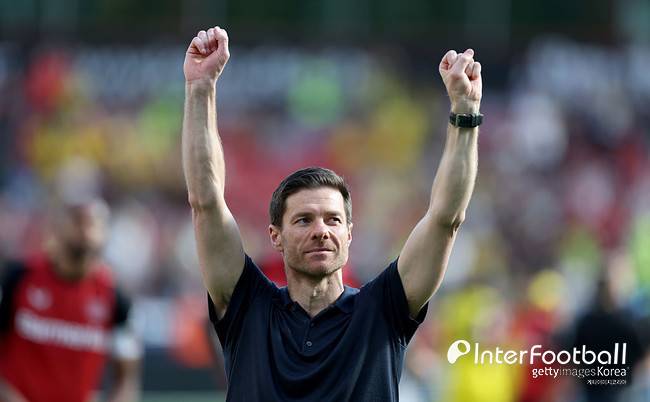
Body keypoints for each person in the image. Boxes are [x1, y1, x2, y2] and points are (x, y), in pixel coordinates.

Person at [182, 25, 481, 401]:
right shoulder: (249, 307)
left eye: (333, 219)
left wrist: (465, 112)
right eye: (303, 220)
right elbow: (206, 201)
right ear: (275, 235)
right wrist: (200, 88)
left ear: (349, 234)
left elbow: (446, 218)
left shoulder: (382, 310)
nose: (321, 230)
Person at [0, 198, 141, 402]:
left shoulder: (117, 298)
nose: (85, 231)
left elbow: (126, 378)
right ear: (56, 228)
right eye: (77, 220)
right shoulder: (18, 278)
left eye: (93, 224)